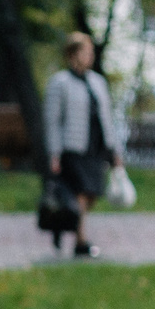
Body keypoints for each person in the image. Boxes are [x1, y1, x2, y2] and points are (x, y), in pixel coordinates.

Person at [43, 32, 119, 258]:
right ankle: (81, 242)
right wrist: (54, 153)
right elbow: (53, 120)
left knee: (93, 194)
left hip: (96, 147)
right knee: (81, 195)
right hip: (73, 148)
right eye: (86, 52)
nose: (90, 56)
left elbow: (107, 117)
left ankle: (62, 224)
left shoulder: (98, 82)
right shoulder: (60, 83)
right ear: (73, 54)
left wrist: (114, 150)